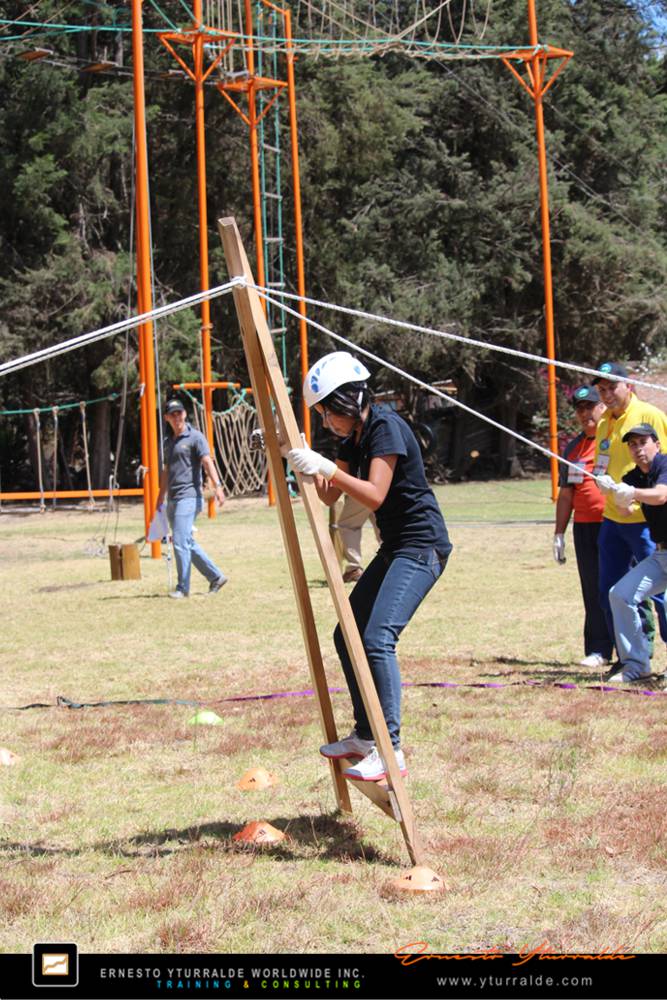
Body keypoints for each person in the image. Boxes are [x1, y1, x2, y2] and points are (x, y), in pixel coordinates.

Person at [288, 351, 452, 782]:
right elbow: (329, 497)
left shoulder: (386, 428)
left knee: (378, 638)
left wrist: (327, 468)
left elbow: (374, 495)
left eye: (328, 414)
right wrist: (305, 460)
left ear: (349, 401)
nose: (327, 424)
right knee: (348, 633)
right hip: (397, 546)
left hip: (422, 548)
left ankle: (390, 748)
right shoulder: (351, 437)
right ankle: (365, 734)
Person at [592, 362, 667, 656]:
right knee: (610, 591)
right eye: (602, 389)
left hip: (648, 521)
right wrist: (603, 483)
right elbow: (602, 460)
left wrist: (635, 495)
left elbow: (663, 468)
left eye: (612, 387)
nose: (607, 394)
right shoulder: (603, 422)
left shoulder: (650, 415)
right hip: (614, 517)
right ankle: (630, 658)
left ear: (628, 385)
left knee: (660, 594)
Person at [553, 385, 613, 668]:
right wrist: (558, 533)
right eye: (579, 409)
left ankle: (633, 651)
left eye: (590, 406)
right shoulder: (572, 447)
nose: (585, 413)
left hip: (615, 523)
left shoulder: (614, 440)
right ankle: (599, 649)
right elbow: (566, 494)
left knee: (619, 588)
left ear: (603, 407)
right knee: (592, 588)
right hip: (585, 527)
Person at [605, 425, 667, 683]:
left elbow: (662, 495)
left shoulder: (665, 465)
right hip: (661, 554)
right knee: (620, 595)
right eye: (633, 444)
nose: (638, 449)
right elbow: (625, 513)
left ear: (657, 444)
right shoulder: (633, 477)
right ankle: (637, 664)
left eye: (643, 442)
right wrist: (612, 492)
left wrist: (631, 493)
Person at [155, 398, 227, 599]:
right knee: (185, 540)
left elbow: (207, 462)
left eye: (180, 413)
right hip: (173, 499)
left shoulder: (195, 437)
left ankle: (182, 587)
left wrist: (218, 486)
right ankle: (216, 577)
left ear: (185, 414)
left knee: (179, 541)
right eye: (173, 414)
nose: (177, 417)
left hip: (190, 497)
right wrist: (160, 498)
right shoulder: (168, 443)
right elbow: (166, 472)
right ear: (167, 418)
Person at [335, 493, 381, 583]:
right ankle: (392, 560)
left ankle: (354, 568)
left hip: (363, 488)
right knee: (382, 523)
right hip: (383, 490)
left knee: (348, 526)